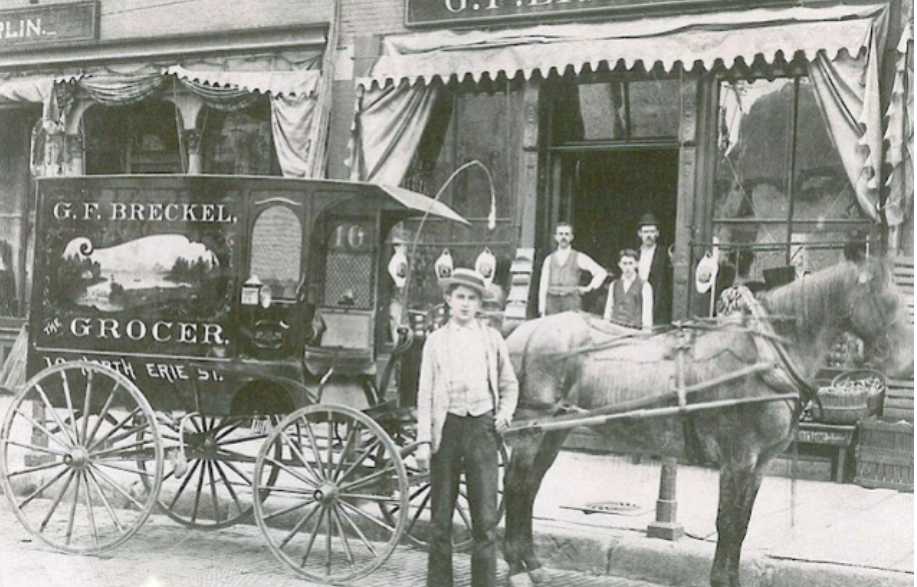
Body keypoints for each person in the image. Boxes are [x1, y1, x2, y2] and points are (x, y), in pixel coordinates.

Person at [415, 268, 519, 587]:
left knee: (486, 520)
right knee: (440, 521)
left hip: (482, 431)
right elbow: (425, 393)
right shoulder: (435, 342)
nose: (465, 304)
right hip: (446, 431)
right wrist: (422, 440)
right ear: (448, 300)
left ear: (479, 304)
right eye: (459, 297)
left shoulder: (491, 339)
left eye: (471, 298)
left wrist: (505, 413)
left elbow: (509, 384)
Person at [538, 223, 608, 316]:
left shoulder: (579, 257)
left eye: (566, 234)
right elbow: (543, 285)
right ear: (556, 237)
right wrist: (542, 309)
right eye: (561, 234)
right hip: (552, 302)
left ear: (571, 237)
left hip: (571, 301)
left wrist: (588, 288)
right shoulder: (549, 259)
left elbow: (601, 272)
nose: (563, 237)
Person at [603, 249, 653, 331]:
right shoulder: (614, 285)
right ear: (619, 265)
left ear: (637, 264)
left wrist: (646, 334)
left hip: (634, 332)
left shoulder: (645, 286)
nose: (627, 267)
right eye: (625, 264)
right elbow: (608, 309)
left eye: (630, 263)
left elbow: (647, 314)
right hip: (614, 330)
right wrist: (605, 328)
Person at [635, 214, 671, 325]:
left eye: (652, 232)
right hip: (637, 300)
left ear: (657, 234)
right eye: (645, 232)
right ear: (640, 234)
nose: (649, 235)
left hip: (657, 301)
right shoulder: (635, 254)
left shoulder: (664, 254)